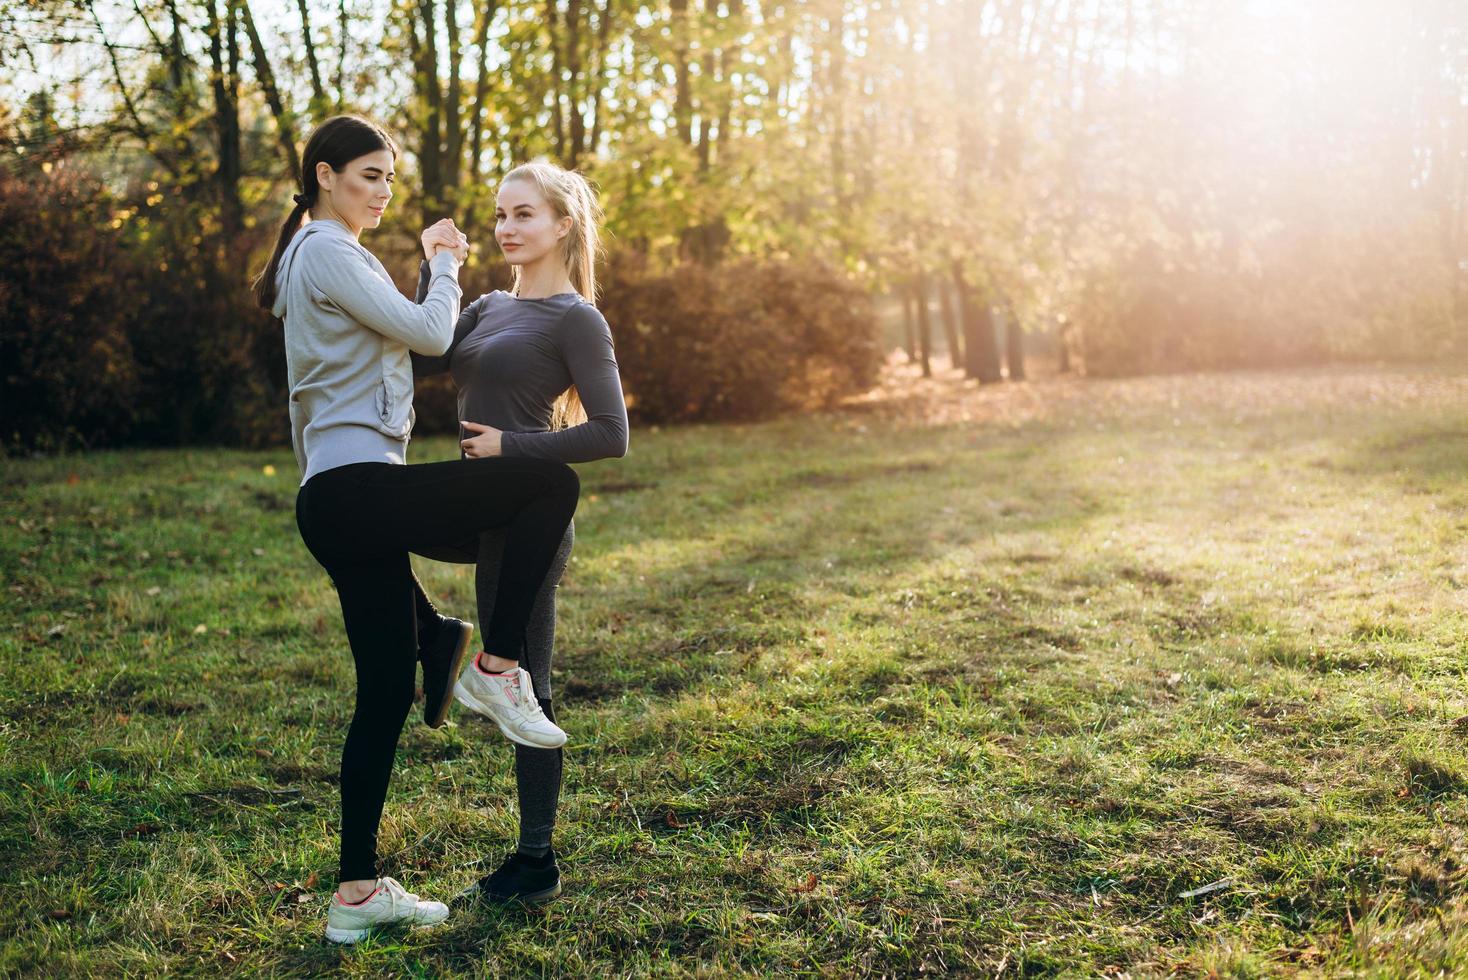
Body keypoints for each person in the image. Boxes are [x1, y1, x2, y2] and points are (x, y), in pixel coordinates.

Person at [251, 116, 579, 943]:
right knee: (547, 482)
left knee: (387, 693)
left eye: (388, 178)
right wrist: (443, 263)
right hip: (358, 490)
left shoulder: (323, 256)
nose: (382, 191)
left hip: (337, 500)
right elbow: (432, 332)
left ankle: (356, 892)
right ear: (324, 176)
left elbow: (403, 335)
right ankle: (495, 666)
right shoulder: (325, 249)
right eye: (368, 175)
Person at [412, 161, 628, 905]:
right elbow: (420, 352)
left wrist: (514, 449)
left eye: (524, 215)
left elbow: (611, 433)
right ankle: (433, 635)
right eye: (501, 216)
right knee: (358, 513)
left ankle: (535, 859)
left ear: (562, 225)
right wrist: (435, 267)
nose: (506, 229)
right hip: (470, 501)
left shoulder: (576, 318)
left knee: (527, 692)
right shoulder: (482, 308)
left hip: (525, 524)